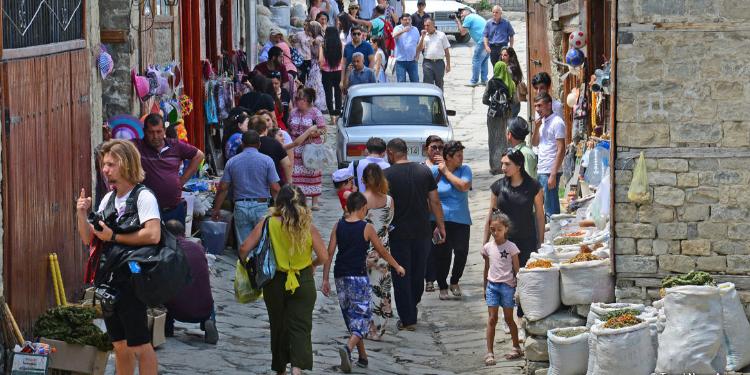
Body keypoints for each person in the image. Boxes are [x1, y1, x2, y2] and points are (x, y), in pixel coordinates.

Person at [76, 140, 161, 375]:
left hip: (133, 280)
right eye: (104, 164)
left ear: (126, 164)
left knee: (140, 345)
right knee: (120, 345)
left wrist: (114, 236)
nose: (105, 170)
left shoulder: (144, 197)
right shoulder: (108, 199)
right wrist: (81, 214)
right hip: (110, 282)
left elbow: (153, 235)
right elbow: (88, 239)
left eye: (110, 164)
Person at [239, 185, 328, 375]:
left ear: (279, 203)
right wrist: (312, 265)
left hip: (275, 282)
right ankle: (297, 368)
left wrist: (246, 264)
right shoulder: (307, 227)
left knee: (278, 326)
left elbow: (244, 248)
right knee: (301, 327)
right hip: (302, 280)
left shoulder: (268, 223)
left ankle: (281, 369)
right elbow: (324, 256)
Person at [321, 192, 406, 373]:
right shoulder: (366, 228)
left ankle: (363, 358)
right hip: (358, 277)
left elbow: (329, 253)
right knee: (363, 317)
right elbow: (382, 251)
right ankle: (348, 348)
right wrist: (397, 266)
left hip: (340, 275)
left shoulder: (338, 226)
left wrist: (325, 279)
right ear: (361, 208)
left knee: (352, 318)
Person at [384, 138, 445, 330]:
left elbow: (382, 204)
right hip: (422, 231)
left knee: (401, 273)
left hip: (398, 233)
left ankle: (407, 316)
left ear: (391, 153)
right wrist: (441, 225)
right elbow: (435, 201)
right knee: (418, 272)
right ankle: (412, 308)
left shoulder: (387, 175)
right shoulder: (423, 171)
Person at [211, 130, 281, 245]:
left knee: (244, 245)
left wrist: (216, 209)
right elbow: (275, 187)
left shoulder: (232, 162)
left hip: (241, 206)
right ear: (259, 144)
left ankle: (245, 262)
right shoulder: (267, 161)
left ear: (242, 144)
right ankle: (260, 263)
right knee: (262, 244)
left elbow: (223, 187)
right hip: (261, 206)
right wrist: (279, 207)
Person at [136, 114, 204, 225]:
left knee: (176, 241)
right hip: (148, 213)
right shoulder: (138, 146)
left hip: (173, 210)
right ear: (144, 131)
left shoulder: (175, 145)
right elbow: (118, 148)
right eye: (151, 132)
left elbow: (199, 155)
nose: (155, 136)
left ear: (164, 130)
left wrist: (181, 181)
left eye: (159, 132)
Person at [484, 148, 545, 268]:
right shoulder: (498, 187)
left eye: (507, 164)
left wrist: (541, 242)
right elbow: (491, 215)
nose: (503, 168)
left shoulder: (534, 186)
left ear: (519, 166)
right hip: (503, 241)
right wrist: (485, 243)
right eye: (502, 163)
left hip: (527, 240)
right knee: (505, 278)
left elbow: (540, 215)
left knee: (525, 277)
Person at [163, 220, 218, 344]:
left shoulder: (166, 250)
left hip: (177, 309)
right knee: (205, 290)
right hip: (204, 308)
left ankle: (166, 327)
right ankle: (209, 320)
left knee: (162, 288)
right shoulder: (198, 248)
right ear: (184, 233)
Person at [431, 141, 472, 300]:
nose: (461, 158)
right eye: (458, 155)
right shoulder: (434, 172)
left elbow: (463, 186)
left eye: (462, 155)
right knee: (443, 254)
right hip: (438, 220)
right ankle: (442, 285)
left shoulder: (464, 170)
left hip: (461, 219)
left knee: (461, 251)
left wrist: (446, 172)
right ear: (448, 157)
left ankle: (455, 281)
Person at [482, 212, 522, 366]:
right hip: (492, 286)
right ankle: (490, 352)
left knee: (508, 319)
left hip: (507, 286)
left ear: (506, 229)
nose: (495, 233)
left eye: (499, 229)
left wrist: (519, 288)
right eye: (492, 229)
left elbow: (517, 269)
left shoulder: (511, 247)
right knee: (492, 319)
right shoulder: (487, 248)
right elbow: (486, 268)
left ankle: (516, 346)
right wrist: (485, 287)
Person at [360, 163, 395, 339]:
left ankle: (367, 327)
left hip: (365, 250)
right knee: (381, 286)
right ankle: (379, 328)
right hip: (383, 249)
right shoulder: (388, 200)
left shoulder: (360, 200)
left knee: (366, 288)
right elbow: (389, 222)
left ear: (363, 179)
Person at [289, 87, 327, 210]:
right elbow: (290, 126)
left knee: (313, 172)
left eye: (299, 99)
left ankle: (315, 201)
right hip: (297, 147)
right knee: (297, 174)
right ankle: (300, 199)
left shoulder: (315, 112)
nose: (297, 101)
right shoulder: (293, 112)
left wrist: (312, 134)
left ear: (306, 100)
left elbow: (323, 129)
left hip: (311, 147)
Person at [532, 92, 566, 217]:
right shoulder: (542, 123)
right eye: (535, 106)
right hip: (542, 169)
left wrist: (553, 174)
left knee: (551, 209)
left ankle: (555, 233)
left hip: (550, 170)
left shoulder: (557, 122)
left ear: (549, 104)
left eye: (540, 105)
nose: (537, 109)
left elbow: (561, 149)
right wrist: (536, 128)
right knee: (544, 207)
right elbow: (535, 143)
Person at [483, 61, 516, 175]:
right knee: (504, 139)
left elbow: (484, 99)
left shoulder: (491, 82)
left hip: (493, 116)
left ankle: (495, 167)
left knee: (493, 140)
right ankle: (505, 164)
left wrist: (493, 105)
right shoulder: (510, 83)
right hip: (506, 115)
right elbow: (514, 101)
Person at [421, 135, 443, 292]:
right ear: (426, 149)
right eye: (433, 147)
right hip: (425, 215)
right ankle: (429, 279)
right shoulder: (421, 168)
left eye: (440, 148)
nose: (437, 150)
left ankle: (440, 278)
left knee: (441, 249)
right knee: (428, 248)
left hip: (442, 214)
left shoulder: (446, 167)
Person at [251, 116, 294, 185]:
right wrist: (289, 182)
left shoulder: (244, 145)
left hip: (251, 186)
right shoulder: (274, 143)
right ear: (265, 129)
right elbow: (287, 164)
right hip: (273, 184)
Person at [455, 8, 488, 86]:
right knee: (484, 61)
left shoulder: (468, 17)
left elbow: (462, 32)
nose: (461, 15)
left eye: (462, 12)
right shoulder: (475, 16)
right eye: (460, 14)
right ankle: (484, 80)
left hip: (482, 40)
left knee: (476, 60)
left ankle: (474, 81)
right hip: (488, 40)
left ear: (467, 12)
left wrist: (457, 21)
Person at [416, 18, 450, 90]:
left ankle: (439, 100)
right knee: (428, 84)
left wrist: (448, 65)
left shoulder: (441, 35)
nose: (426, 27)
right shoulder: (424, 36)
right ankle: (429, 100)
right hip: (427, 63)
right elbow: (419, 49)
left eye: (428, 25)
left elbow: (446, 51)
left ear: (433, 25)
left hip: (439, 63)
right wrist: (422, 38)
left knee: (439, 83)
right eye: (425, 25)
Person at [320, 26, 344, 123]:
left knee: (328, 95)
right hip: (338, 71)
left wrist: (323, 67)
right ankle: (338, 116)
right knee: (338, 94)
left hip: (326, 72)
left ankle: (332, 118)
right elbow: (343, 60)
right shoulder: (341, 44)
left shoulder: (323, 45)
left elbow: (320, 61)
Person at [305, 21, 328, 112]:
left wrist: (311, 45)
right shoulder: (317, 38)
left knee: (316, 84)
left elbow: (318, 54)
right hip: (314, 64)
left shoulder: (318, 40)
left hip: (316, 65)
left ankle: (318, 104)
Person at [392, 14, 420, 83]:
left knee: (415, 81)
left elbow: (418, 44)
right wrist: (403, 31)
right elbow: (393, 36)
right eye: (405, 20)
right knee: (401, 81)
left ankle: (415, 94)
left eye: (409, 20)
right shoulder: (397, 28)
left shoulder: (415, 29)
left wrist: (417, 56)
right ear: (401, 20)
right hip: (400, 60)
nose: (407, 21)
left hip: (412, 60)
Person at [501, 46, 524, 116]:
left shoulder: (509, 69)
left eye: (505, 55)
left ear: (510, 56)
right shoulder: (513, 67)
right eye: (501, 55)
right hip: (513, 102)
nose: (502, 57)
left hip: (510, 102)